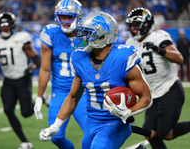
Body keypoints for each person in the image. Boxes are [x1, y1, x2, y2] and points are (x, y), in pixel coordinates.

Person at [38, 11, 152, 149]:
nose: (83, 36)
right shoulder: (79, 58)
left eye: (88, 33)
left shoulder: (123, 57)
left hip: (115, 122)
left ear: (103, 36)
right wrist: (56, 125)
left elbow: (146, 97)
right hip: (91, 121)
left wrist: (129, 112)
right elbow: (73, 97)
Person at [125, 7, 190, 149]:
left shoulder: (158, 37)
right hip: (152, 93)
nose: (133, 29)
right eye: (131, 25)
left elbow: (179, 59)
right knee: (149, 133)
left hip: (169, 88)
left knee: (165, 133)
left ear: (146, 25)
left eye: (136, 25)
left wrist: (159, 49)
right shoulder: (130, 43)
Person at [33, 0, 87, 148]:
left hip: (84, 92)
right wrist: (39, 97)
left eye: (69, 17)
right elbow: (44, 69)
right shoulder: (51, 33)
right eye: (62, 17)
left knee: (91, 133)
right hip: (60, 91)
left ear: (78, 17)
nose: (66, 21)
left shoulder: (87, 34)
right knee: (55, 137)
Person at [0, 12, 41, 149]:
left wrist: (32, 68)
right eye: (2, 25)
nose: (5, 28)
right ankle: (25, 142)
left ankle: (42, 99)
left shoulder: (22, 38)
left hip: (23, 79)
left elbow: (36, 59)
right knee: (7, 110)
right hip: (8, 81)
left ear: (12, 26)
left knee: (25, 113)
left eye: (7, 25)